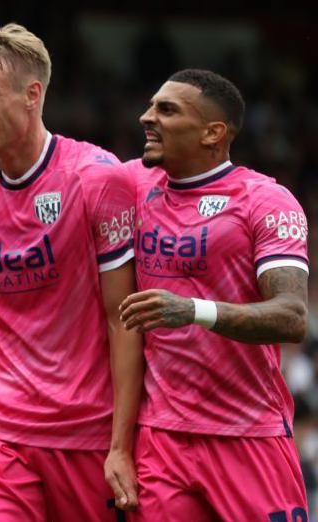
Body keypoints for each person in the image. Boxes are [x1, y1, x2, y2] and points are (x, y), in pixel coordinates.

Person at [0, 23, 143, 521]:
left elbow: (122, 318)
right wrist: (3, 384)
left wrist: (121, 443)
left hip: (86, 430)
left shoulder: (95, 178)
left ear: (32, 95)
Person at [119, 69, 310, 521]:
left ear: (213, 132)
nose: (147, 118)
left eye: (166, 109)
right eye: (150, 106)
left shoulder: (265, 200)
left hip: (249, 434)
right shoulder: (132, 185)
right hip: (162, 438)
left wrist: (192, 311)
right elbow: (60, 165)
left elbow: (292, 316)